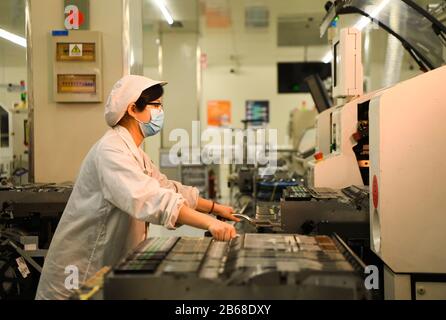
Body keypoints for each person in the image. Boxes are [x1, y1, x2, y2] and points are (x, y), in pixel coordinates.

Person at [35, 75, 239, 300]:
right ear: (133, 109)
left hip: (103, 266)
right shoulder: (111, 151)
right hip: (78, 272)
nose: (161, 112)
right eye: (157, 105)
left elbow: (166, 187)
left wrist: (214, 208)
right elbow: (149, 198)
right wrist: (210, 223)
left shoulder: (132, 150)